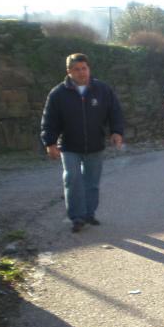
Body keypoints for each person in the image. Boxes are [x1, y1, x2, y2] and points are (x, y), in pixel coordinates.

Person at [40, 53, 123, 233]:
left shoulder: (102, 90)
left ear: (88, 68)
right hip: (69, 146)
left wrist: (116, 131)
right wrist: (50, 143)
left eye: (84, 68)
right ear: (69, 71)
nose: (81, 72)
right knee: (73, 180)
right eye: (76, 69)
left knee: (92, 183)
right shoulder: (58, 94)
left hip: (95, 144)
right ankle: (77, 218)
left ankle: (89, 214)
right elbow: (49, 120)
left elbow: (115, 112)